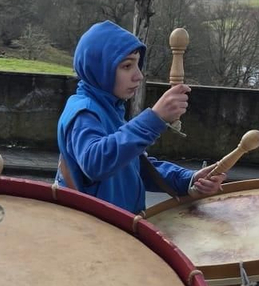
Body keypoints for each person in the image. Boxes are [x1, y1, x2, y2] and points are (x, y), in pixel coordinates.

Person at [55, 20, 226, 213]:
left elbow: (134, 166)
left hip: (118, 227)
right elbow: (96, 163)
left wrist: (188, 179)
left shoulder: (110, 107)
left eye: (137, 65)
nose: (138, 76)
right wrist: (154, 118)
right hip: (95, 234)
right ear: (100, 69)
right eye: (127, 66)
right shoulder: (83, 112)